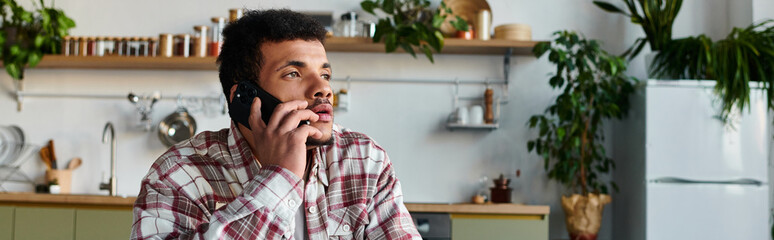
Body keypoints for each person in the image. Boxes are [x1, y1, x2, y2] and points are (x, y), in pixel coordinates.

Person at [130, 9, 420, 240]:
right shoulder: (178, 173)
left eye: (326, 74)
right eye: (294, 73)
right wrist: (278, 178)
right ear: (245, 98)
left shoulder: (364, 158)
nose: (323, 89)